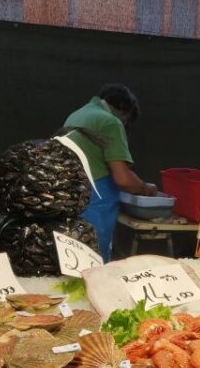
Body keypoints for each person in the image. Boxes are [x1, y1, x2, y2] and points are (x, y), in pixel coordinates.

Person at [62, 84, 157, 261]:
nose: (125, 125)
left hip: (70, 201)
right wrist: (145, 188)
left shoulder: (76, 115)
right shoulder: (111, 122)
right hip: (94, 207)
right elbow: (122, 178)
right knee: (95, 264)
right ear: (123, 110)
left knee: (73, 263)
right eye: (126, 121)